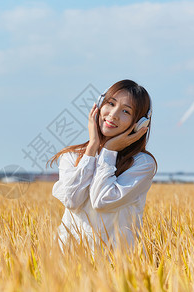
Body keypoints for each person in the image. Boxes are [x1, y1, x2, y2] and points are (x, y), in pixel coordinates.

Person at [48, 79, 157, 252]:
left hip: (117, 266)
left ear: (139, 124)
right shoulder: (71, 156)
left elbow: (102, 201)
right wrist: (91, 149)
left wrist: (109, 151)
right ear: (98, 106)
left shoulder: (142, 164)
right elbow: (71, 200)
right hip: (67, 264)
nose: (113, 115)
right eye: (110, 104)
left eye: (126, 111)